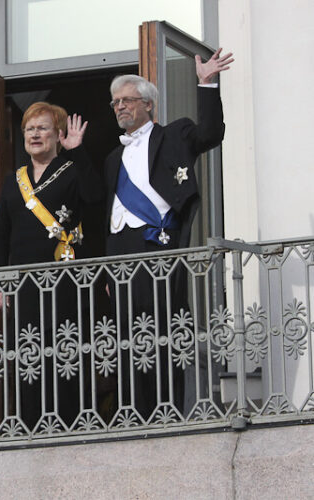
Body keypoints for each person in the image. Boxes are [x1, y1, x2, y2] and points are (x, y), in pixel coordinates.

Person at [104, 48, 233, 420]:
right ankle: (132, 412)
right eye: (115, 103)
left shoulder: (174, 135)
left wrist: (206, 83)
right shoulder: (114, 157)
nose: (120, 107)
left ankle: (167, 410)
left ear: (148, 104)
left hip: (159, 246)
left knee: (163, 331)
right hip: (121, 252)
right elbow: (108, 210)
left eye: (127, 100)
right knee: (127, 338)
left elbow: (212, 133)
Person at [0, 102, 103, 431]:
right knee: (28, 358)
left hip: (65, 282)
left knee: (65, 356)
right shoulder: (14, 182)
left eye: (43, 128)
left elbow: (95, 198)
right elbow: (1, 237)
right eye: (30, 129)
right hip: (23, 287)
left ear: (58, 135)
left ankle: (70, 425)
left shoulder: (72, 170)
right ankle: (30, 427)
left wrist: (78, 153)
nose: (35, 134)